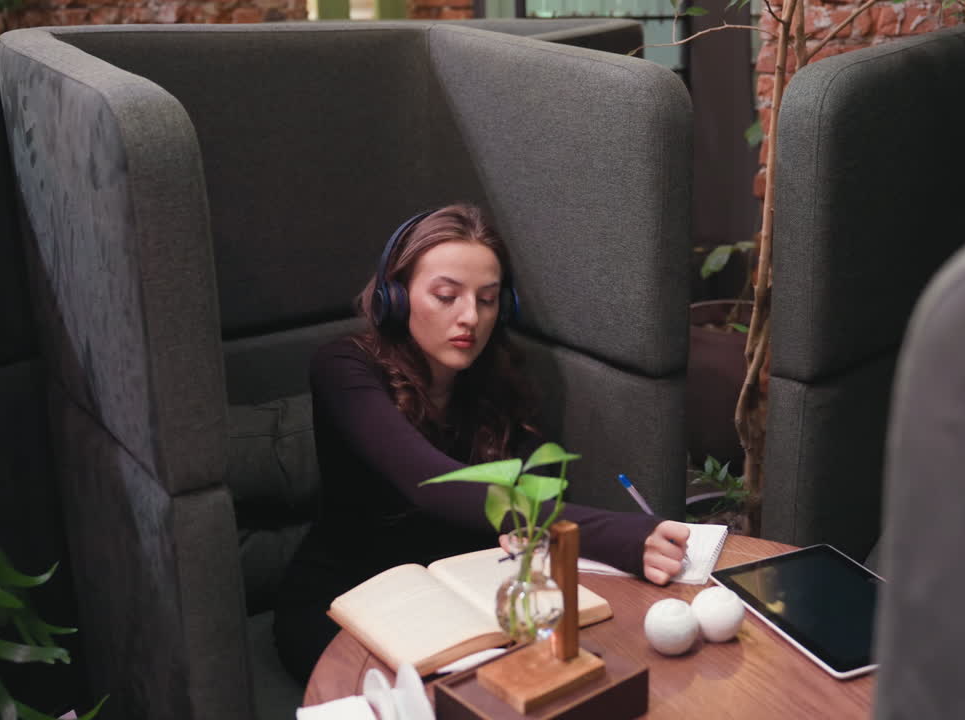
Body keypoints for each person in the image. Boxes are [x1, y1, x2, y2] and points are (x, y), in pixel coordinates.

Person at [274, 203, 690, 683]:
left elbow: (541, 487)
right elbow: (436, 486)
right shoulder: (344, 366)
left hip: (455, 601)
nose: (470, 316)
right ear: (395, 296)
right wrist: (617, 534)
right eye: (446, 295)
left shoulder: (494, 379)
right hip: (343, 602)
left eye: (488, 299)